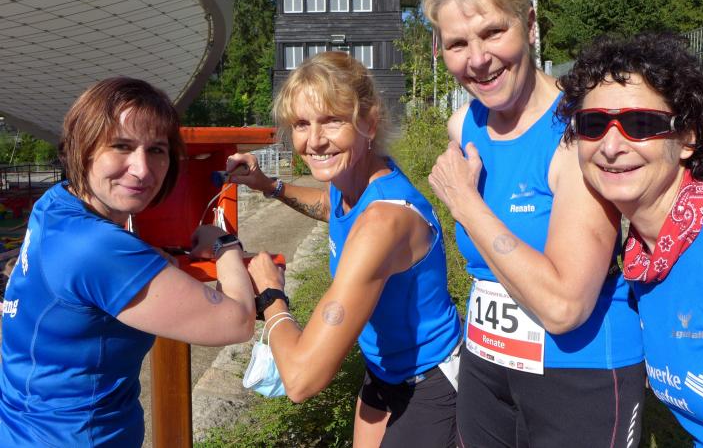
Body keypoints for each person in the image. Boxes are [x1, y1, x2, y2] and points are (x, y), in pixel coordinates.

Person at [423, 0, 645, 447]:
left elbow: (564, 307)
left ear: (529, 24)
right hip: (486, 365)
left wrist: (466, 204)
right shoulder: (464, 125)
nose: (478, 60)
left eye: (493, 32)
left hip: (579, 371)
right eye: (457, 44)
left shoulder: (577, 133)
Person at [557, 31, 703, 447]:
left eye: (640, 124)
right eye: (593, 125)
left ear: (687, 138)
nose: (611, 146)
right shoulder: (642, 258)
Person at [0, 77, 264, 447]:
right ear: (82, 147)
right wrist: (224, 243)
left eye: (156, 150)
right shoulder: (97, 248)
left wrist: (141, 254)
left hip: (23, 425)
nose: (142, 169)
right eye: (121, 146)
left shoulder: (56, 203)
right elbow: (237, 323)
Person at [227, 51, 462, 447]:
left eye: (332, 120)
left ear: (369, 122)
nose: (315, 141)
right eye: (302, 124)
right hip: (383, 371)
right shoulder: (352, 177)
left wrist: (270, 294)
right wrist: (270, 185)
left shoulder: (383, 222)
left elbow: (301, 379)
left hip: (431, 382)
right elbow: (330, 207)